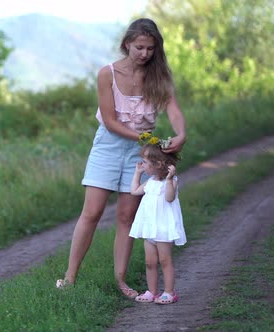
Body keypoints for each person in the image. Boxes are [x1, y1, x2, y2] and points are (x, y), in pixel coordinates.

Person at [55, 18, 186, 299]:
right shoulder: (108, 74)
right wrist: (141, 137)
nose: (145, 54)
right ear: (127, 44)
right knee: (92, 212)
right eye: (139, 47)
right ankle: (69, 277)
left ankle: (121, 280)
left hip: (141, 151)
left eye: (151, 48)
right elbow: (111, 121)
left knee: (127, 216)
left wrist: (181, 133)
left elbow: (173, 109)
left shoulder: (159, 75)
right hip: (109, 145)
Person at [129, 138, 186, 304]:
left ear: (159, 164)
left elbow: (169, 198)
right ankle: (152, 292)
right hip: (149, 229)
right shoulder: (150, 182)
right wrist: (137, 174)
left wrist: (169, 180)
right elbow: (134, 191)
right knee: (150, 262)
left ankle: (169, 292)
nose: (142, 164)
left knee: (165, 260)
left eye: (145, 162)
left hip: (163, 228)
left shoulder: (171, 182)